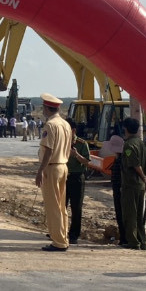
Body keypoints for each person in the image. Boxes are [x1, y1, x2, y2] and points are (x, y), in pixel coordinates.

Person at [36, 93, 72, 252]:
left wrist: (40, 171)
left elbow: (49, 150)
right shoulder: (65, 124)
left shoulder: (50, 125)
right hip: (63, 165)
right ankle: (63, 237)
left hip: (52, 167)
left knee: (53, 206)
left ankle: (58, 242)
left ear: (46, 108)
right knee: (61, 206)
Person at [120, 117, 146, 250]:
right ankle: (142, 241)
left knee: (130, 214)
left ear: (125, 129)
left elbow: (134, 164)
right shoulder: (142, 144)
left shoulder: (129, 145)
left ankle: (133, 242)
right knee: (139, 215)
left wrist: (142, 176)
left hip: (131, 185)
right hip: (141, 186)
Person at [65, 119, 91, 244]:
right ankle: (60, 231)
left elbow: (87, 162)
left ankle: (74, 234)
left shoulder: (81, 143)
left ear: (73, 130)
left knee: (76, 207)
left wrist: (76, 155)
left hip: (76, 177)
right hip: (63, 176)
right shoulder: (61, 142)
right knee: (61, 206)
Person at [101, 135, 126, 245]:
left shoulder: (121, 161)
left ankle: (124, 238)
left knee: (121, 215)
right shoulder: (118, 159)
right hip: (118, 190)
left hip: (120, 191)